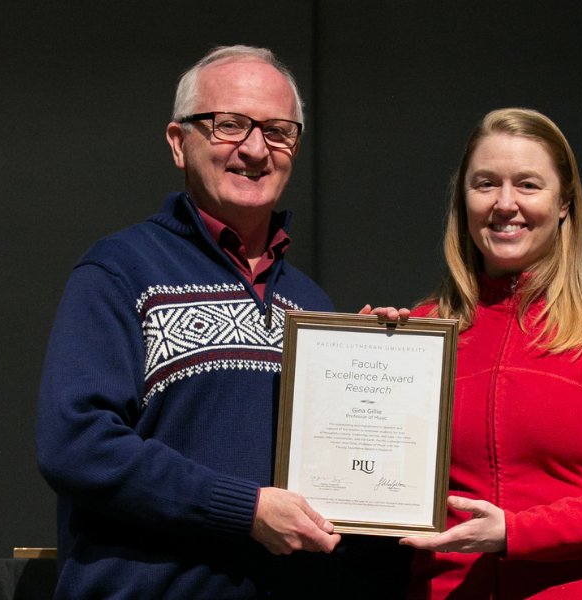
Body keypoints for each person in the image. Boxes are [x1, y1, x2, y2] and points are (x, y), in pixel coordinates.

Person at [37, 45, 349, 599]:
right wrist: (244, 509)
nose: (256, 149)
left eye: (278, 131)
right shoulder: (120, 271)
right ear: (179, 143)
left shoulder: (311, 306)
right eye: (229, 125)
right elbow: (77, 444)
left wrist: (379, 356)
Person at [398, 108, 582, 600]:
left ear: (563, 204)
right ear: (462, 201)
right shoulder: (422, 333)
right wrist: (362, 354)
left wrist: (516, 532)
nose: (505, 203)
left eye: (528, 185)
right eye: (485, 183)